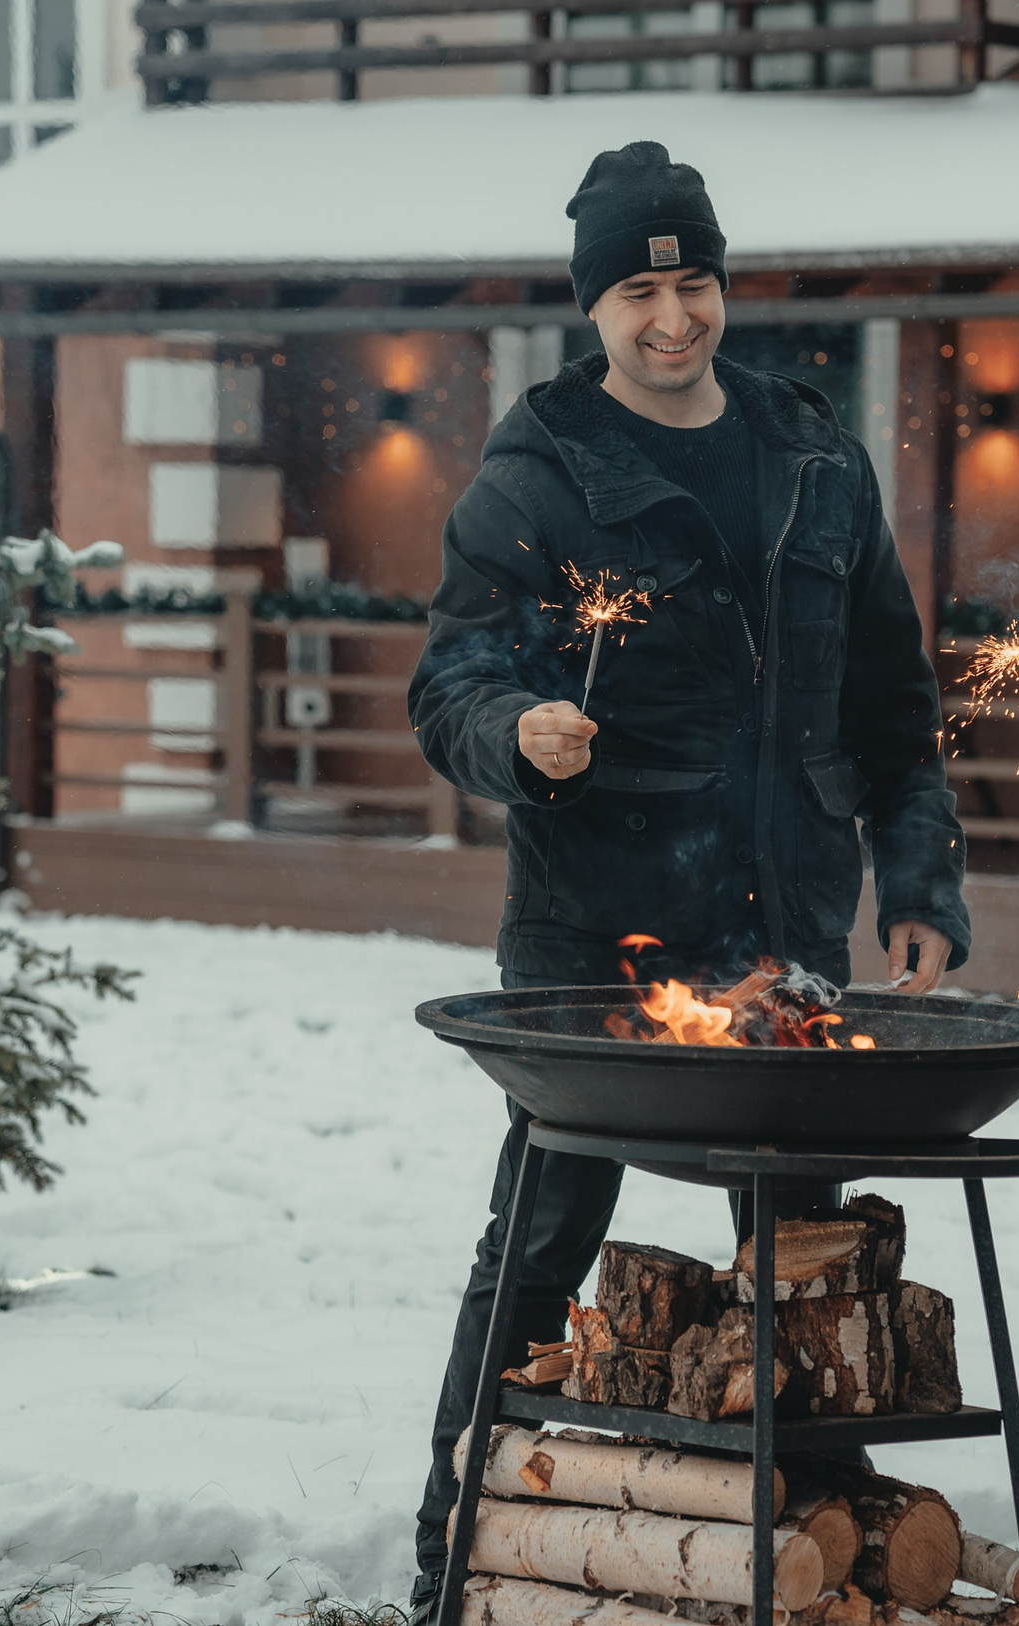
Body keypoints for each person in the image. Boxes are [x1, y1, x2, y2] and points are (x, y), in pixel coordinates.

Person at [402, 141, 968, 1619]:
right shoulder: (539, 468)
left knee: (802, 1253)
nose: (673, 314)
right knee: (544, 1230)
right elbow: (448, 681)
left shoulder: (813, 454)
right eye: (640, 287)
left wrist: (917, 878)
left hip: (784, 932)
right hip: (599, 937)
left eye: (694, 278)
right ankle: (452, 1540)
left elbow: (895, 709)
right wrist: (516, 733)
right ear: (594, 304)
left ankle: (792, 1552)